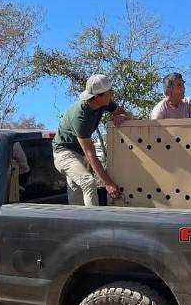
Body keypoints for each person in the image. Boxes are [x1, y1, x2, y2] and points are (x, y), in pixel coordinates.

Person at [53, 74, 132, 206]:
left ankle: (77, 225)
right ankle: (94, 224)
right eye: (110, 92)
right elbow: (90, 154)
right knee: (88, 182)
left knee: (76, 202)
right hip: (64, 153)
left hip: (79, 155)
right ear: (98, 96)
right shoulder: (79, 117)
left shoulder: (104, 103)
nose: (112, 94)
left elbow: (128, 114)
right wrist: (108, 183)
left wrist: (122, 116)